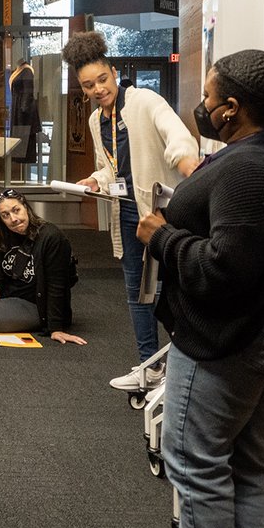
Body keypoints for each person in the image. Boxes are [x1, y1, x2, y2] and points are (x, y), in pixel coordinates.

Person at [137, 49, 264, 528]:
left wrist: (162, 236)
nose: (202, 106)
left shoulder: (249, 167)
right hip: (259, 331)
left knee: (193, 463)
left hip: (227, 338)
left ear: (232, 108)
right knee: (246, 463)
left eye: (207, 97)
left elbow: (226, 268)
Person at [62, 31, 198, 390]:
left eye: (102, 79)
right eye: (88, 85)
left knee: (172, 291)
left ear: (112, 70)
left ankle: (190, 365)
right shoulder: (95, 121)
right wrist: (94, 181)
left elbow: (177, 136)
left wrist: (188, 164)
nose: (98, 89)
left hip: (161, 213)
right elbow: (110, 168)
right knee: (138, 291)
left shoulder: (144, 101)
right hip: (124, 213)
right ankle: (149, 368)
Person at [0, 189, 86, 345]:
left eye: (16, 210)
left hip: (36, 304)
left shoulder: (52, 237)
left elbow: (57, 284)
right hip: (9, 288)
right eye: (5, 215)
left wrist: (55, 327)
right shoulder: (4, 232)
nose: (13, 219)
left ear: (26, 207)